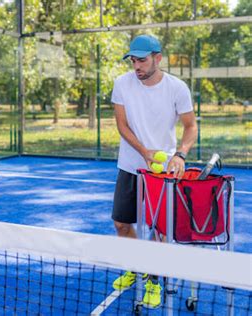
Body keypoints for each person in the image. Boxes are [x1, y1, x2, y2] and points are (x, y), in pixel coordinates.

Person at [111, 34, 198, 309]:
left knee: (160, 231)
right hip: (129, 165)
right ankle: (136, 265)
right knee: (122, 224)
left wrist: (181, 155)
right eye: (133, 60)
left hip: (162, 174)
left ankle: (153, 280)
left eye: (142, 60)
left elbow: (190, 127)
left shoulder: (177, 88)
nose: (136, 65)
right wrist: (143, 152)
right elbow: (122, 126)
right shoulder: (122, 83)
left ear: (158, 59)